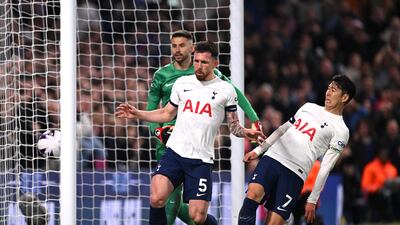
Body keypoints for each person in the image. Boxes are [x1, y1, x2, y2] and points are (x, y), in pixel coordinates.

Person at [116, 41, 265, 225]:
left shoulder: (226, 91)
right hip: (175, 153)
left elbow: (233, 126)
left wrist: (247, 132)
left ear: (215, 64)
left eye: (204, 62)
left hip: (200, 160)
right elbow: (166, 113)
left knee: (197, 217)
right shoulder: (182, 83)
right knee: (157, 197)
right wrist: (138, 113)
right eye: (196, 61)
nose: (198, 66)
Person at [238, 75, 356, 225]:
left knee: (273, 222)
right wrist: (258, 151)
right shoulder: (308, 107)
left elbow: (326, 166)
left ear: (344, 97)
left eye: (333, 90)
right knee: (252, 194)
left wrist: (312, 199)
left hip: (295, 172)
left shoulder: (341, 130)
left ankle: (288, 219)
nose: (328, 92)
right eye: (328, 88)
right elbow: (282, 130)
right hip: (274, 157)